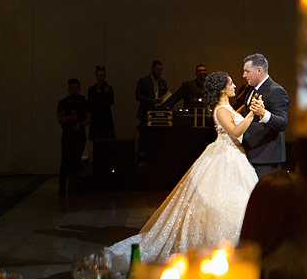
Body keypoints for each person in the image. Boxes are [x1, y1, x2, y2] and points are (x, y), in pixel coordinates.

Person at [106, 71, 258, 267]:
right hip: (225, 158)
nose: (235, 86)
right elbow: (236, 131)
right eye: (230, 83)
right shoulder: (220, 109)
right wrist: (252, 113)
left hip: (235, 156)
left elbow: (236, 122)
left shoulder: (228, 107)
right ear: (222, 88)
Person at [241, 53, 290, 177]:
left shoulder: (276, 91)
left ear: (259, 70)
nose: (244, 75)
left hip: (267, 158)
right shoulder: (252, 90)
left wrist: (263, 113)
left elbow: (282, 123)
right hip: (253, 154)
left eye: (247, 71)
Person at [57, 78, 90, 195]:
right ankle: (62, 186)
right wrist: (70, 119)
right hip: (67, 134)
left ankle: (73, 184)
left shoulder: (84, 102)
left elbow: (88, 118)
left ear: (79, 88)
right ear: (68, 88)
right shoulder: (63, 102)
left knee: (76, 160)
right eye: (71, 88)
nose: (74, 90)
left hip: (79, 133)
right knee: (66, 160)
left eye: (76, 88)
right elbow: (60, 119)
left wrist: (80, 124)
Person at [87, 65, 115, 140]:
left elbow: (112, 101)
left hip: (106, 115)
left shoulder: (109, 88)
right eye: (99, 76)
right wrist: (97, 94)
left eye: (103, 76)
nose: (101, 78)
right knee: (96, 136)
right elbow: (89, 103)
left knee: (107, 137)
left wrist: (107, 93)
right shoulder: (92, 89)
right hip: (96, 116)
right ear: (96, 76)